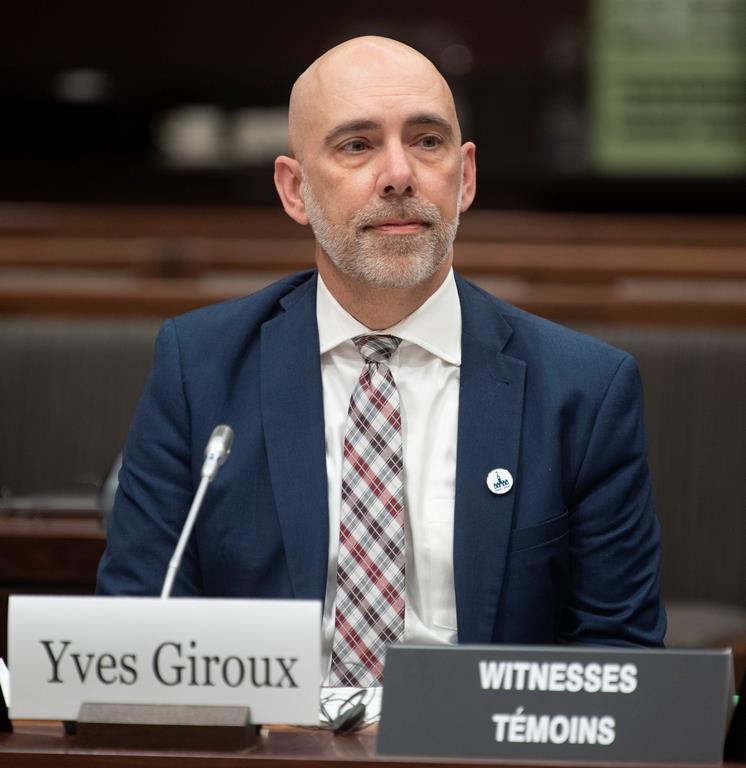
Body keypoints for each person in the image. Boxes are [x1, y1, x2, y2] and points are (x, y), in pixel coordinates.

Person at [97, 36, 666, 685]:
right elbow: (137, 630)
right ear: (294, 189)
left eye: (427, 141)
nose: (399, 174)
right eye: (357, 145)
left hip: (478, 735)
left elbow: (619, 665)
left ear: (466, 176)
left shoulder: (584, 391)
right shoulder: (199, 370)